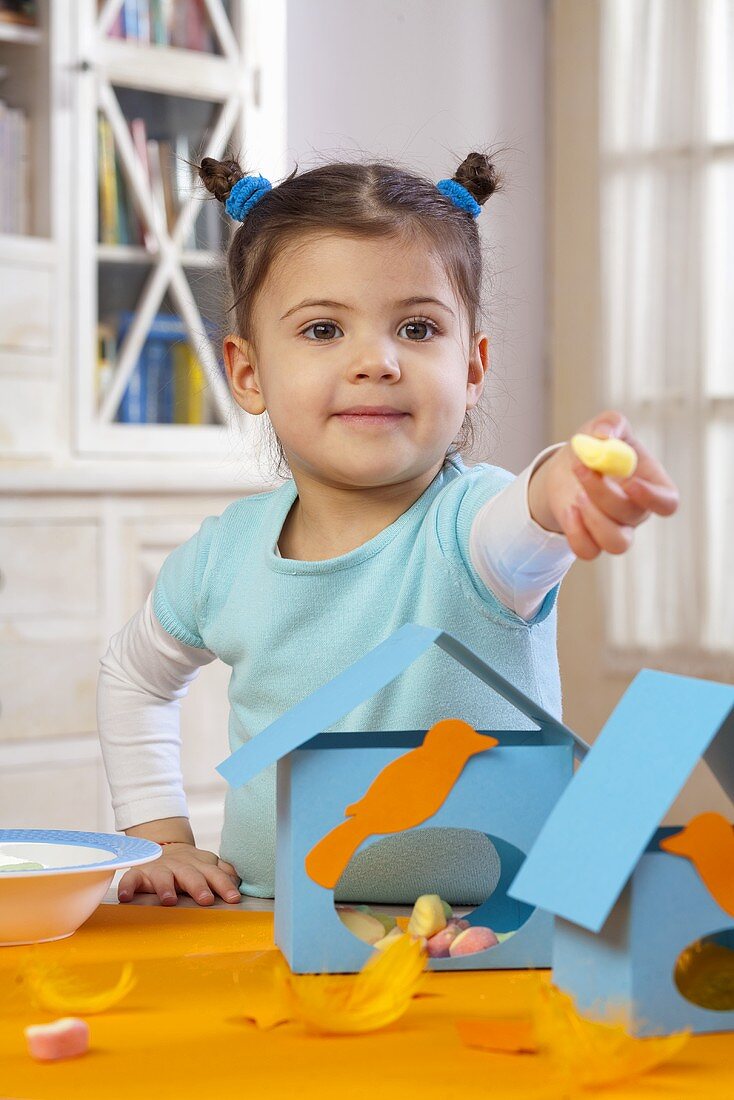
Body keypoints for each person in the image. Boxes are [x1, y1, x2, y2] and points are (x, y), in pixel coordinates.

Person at [97, 152, 679, 909]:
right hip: (270, 930)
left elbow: (528, 517)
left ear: (472, 370)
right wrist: (164, 841)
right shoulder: (222, 557)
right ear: (247, 374)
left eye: (415, 326)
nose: (376, 360)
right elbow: (133, 677)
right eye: (322, 329)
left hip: (496, 944)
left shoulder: (474, 531)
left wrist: (568, 479)